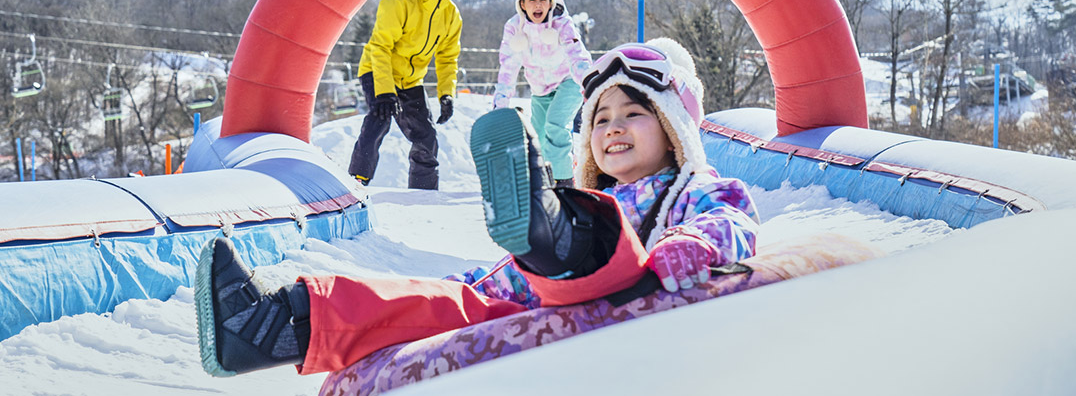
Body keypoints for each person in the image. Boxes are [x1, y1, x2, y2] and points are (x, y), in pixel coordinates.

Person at [197, 38, 759, 377]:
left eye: (633, 113)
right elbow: (486, 286)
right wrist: (462, 282)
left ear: (673, 128)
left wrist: (698, 242)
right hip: (520, 300)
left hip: (604, 294)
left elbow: (731, 217)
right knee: (418, 301)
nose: (613, 128)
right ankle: (270, 327)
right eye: (600, 118)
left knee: (601, 238)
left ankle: (555, 237)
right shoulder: (602, 195)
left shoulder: (688, 188)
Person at [347, 0, 462, 190]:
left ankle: (423, 192)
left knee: (426, 135)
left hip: (411, 81)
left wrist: (446, 93)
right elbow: (380, 48)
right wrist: (385, 92)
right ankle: (356, 182)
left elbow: (447, 58)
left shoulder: (452, 16)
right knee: (380, 119)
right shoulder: (397, 4)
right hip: (377, 69)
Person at [492, 0, 593, 186]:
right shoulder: (514, 28)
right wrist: (500, 105)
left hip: (569, 81)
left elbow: (577, 53)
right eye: (532, 0)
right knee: (538, 135)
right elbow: (508, 69)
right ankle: (545, 183)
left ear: (550, 2)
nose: (538, 5)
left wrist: (588, 81)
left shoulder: (562, 23)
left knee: (556, 125)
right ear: (522, 3)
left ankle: (565, 184)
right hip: (540, 88)